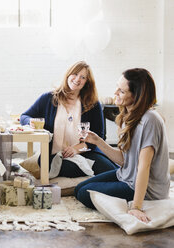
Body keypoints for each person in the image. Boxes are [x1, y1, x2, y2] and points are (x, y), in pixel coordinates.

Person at [75, 68, 170, 223]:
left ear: (136, 95)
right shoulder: (127, 117)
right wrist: (98, 141)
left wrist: (137, 207)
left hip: (148, 190)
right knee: (79, 188)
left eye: (121, 91)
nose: (115, 93)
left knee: (84, 193)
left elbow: (144, 166)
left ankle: (131, 203)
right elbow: (124, 161)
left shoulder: (150, 119)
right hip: (126, 176)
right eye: (117, 88)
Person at [20, 61, 117, 178]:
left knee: (113, 171)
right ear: (68, 75)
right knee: (66, 167)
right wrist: (30, 122)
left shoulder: (93, 104)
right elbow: (24, 116)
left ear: (87, 82)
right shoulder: (48, 98)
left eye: (83, 77)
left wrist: (76, 149)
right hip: (54, 155)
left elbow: (99, 137)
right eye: (75, 74)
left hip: (85, 153)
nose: (77, 79)